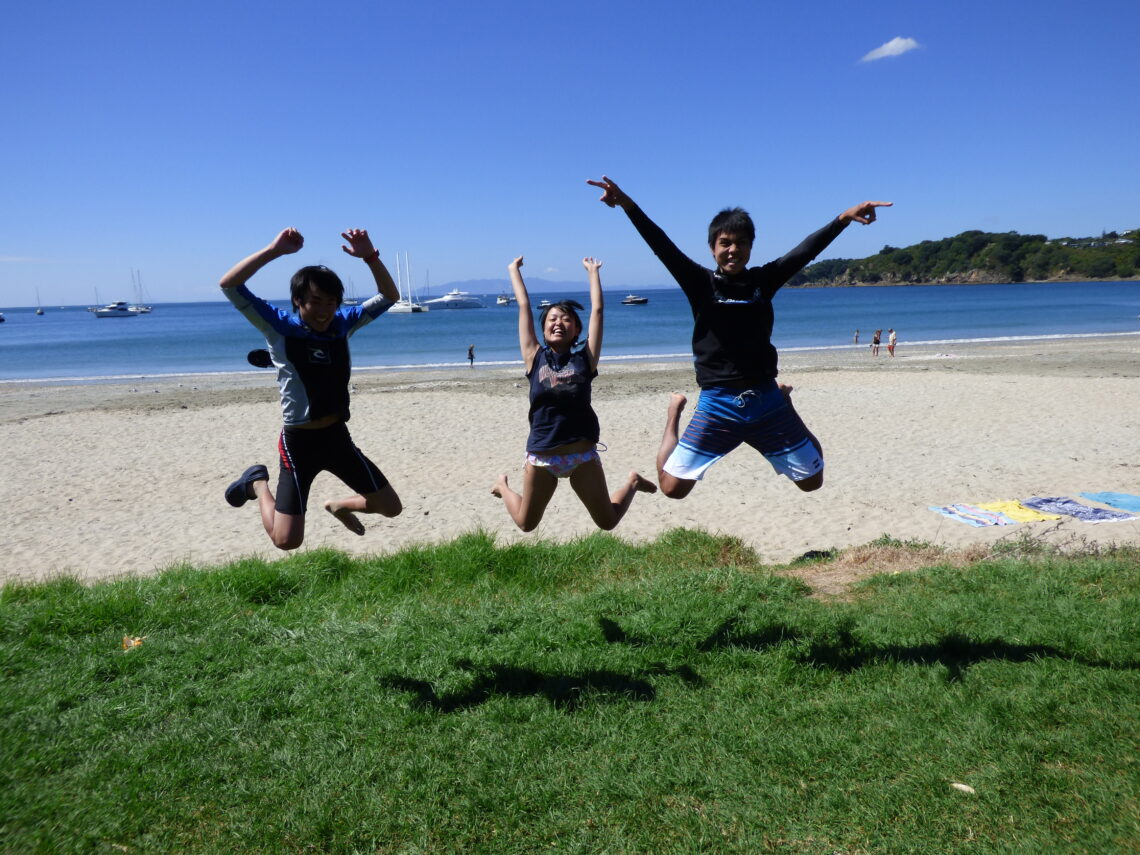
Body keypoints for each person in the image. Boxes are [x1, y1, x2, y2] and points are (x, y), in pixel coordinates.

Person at [587, 174, 890, 499]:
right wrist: (628, 205)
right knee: (672, 488)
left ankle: (787, 403)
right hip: (718, 403)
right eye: (725, 243)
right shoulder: (700, 283)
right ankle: (674, 413)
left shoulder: (764, 280)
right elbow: (661, 244)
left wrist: (843, 218)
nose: (733, 250)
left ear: (750, 246)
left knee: (812, 481)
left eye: (741, 243)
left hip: (765, 399)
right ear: (712, 248)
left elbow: (805, 252)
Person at [220, 227, 403, 549]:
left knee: (391, 508)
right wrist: (275, 250)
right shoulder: (279, 327)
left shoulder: (342, 324)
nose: (324, 310)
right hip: (299, 443)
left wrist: (371, 258)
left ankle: (338, 505)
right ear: (298, 301)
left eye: (332, 302)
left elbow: (389, 296)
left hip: (337, 438)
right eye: (316, 301)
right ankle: (257, 484)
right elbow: (230, 284)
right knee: (286, 540)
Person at [491, 255, 657, 531]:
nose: (558, 322)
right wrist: (513, 271)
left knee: (607, 521)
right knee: (526, 523)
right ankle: (502, 486)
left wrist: (593, 272)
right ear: (543, 330)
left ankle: (633, 482)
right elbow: (522, 307)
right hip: (542, 456)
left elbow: (598, 311)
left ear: (576, 330)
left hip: (582, 456)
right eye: (552, 319)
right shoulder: (535, 357)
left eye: (566, 320)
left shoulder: (586, 359)